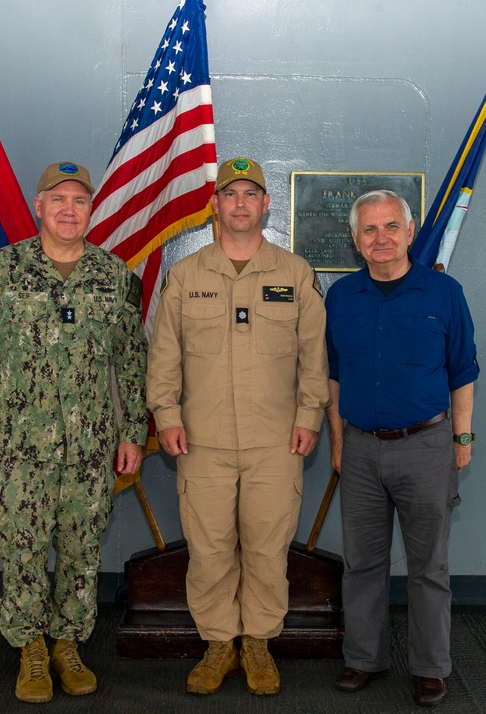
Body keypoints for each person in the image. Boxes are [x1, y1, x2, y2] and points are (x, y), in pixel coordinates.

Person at [0, 162, 148, 704]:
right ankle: (30, 647)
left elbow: (132, 364)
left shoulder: (116, 278)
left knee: (81, 550)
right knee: (23, 547)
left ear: (90, 209)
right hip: (18, 448)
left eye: (79, 200)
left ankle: (68, 644)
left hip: (90, 447)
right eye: (58, 199)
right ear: (38, 206)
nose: (68, 209)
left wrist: (133, 434)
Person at [146, 157, 330, 696]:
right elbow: (164, 358)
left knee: (269, 549)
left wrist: (310, 416)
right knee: (208, 548)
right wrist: (167, 417)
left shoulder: (295, 274)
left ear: (266, 203)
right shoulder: (186, 276)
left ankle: (258, 642)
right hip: (201, 442)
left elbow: (313, 356)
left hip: (277, 442)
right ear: (217, 205)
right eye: (231, 194)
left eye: (252, 194)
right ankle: (218, 642)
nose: (242, 203)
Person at [324, 189, 478, 708]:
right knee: (362, 563)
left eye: (391, 226)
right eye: (369, 230)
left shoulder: (444, 293)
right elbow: (333, 377)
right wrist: (340, 444)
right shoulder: (341, 298)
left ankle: (431, 667)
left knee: (427, 566)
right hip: (362, 450)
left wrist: (462, 438)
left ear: (411, 232)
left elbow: (463, 371)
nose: (381, 238)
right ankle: (363, 657)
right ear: (355, 240)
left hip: (427, 446)